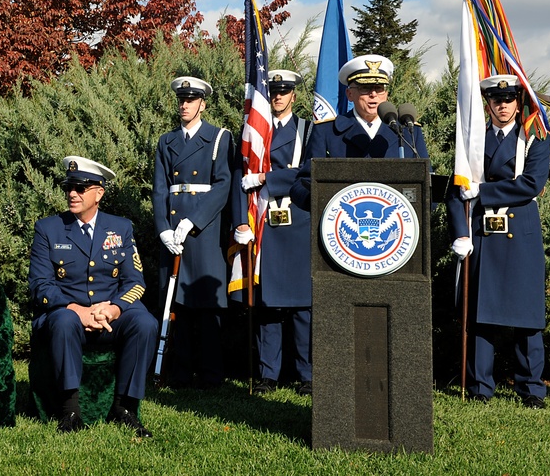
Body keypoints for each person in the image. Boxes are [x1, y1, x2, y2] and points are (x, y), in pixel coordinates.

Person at [29, 156, 157, 437]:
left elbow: (135, 282)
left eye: (80, 188)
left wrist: (114, 309)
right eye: (68, 188)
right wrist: (78, 310)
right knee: (63, 321)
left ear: (99, 193)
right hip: (67, 314)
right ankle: (70, 411)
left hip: (109, 313)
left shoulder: (120, 227)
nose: (72, 194)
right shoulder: (48, 228)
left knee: (145, 323)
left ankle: (125, 408)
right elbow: (40, 284)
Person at [448, 75, 550, 409]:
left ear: (518, 103)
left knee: (527, 317)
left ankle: (531, 389)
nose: (503, 105)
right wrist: (459, 233)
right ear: (487, 104)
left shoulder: (535, 137)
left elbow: (531, 184)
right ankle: (480, 386)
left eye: (508, 99)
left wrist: (484, 190)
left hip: (520, 234)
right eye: (496, 100)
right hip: (481, 233)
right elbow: (456, 191)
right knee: (481, 314)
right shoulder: (472, 141)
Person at [152, 76, 237, 388]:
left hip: (205, 229)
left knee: (207, 305)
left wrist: (194, 221)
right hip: (173, 231)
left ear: (203, 104)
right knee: (177, 304)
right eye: (181, 100)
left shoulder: (218, 138)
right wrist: (163, 228)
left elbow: (223, 184)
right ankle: (180, 373)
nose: (184, 105)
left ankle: (212, 374)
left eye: (191, 100)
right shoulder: (166, 141)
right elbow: (159, 189)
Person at [235, 70, 313, 395]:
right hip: (264, 222)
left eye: (284, 91)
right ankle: (268, 373)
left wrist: (268, 178)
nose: (278, 97)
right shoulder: (255, 130)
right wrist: (240, 222)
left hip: (298, 220)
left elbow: (310, 172)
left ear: (294, 95)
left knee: (302, 306)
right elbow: (239, 176)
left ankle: (307, 374)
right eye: (274, 92)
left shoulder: (308, 130)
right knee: (268, 304)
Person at [290, 54, 429, 208]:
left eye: (379, 88)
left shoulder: (408, 131)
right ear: (350, 94)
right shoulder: (326, 131)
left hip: (398, 219)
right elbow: (302, 185)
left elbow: (428, 182)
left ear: (386, 94)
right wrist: (322, 203)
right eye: (365, 88)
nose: (373, 94)